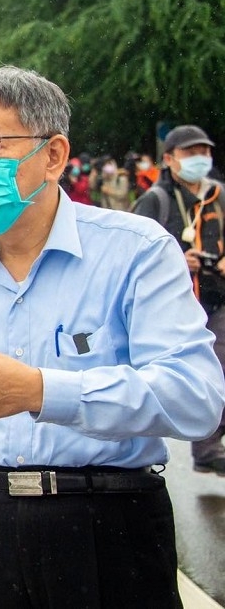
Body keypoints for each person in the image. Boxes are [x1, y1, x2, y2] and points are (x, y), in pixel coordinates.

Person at [0, 66, 225, 609]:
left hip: (109, 531)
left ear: (52, 155)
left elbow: (196, 399)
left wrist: (42, 392)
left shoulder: (135, 253)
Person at [132, 124, 225, 476]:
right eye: (190, 153)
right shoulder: (156, 199)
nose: (200, 158)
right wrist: (176, 260)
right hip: (174, 303)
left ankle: (208, 444)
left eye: (204, 151)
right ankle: (206, 447)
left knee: (220, 370)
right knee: (200, 372)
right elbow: (133, 251)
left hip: (217, 296)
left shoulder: (219, 195)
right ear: (169, 159)